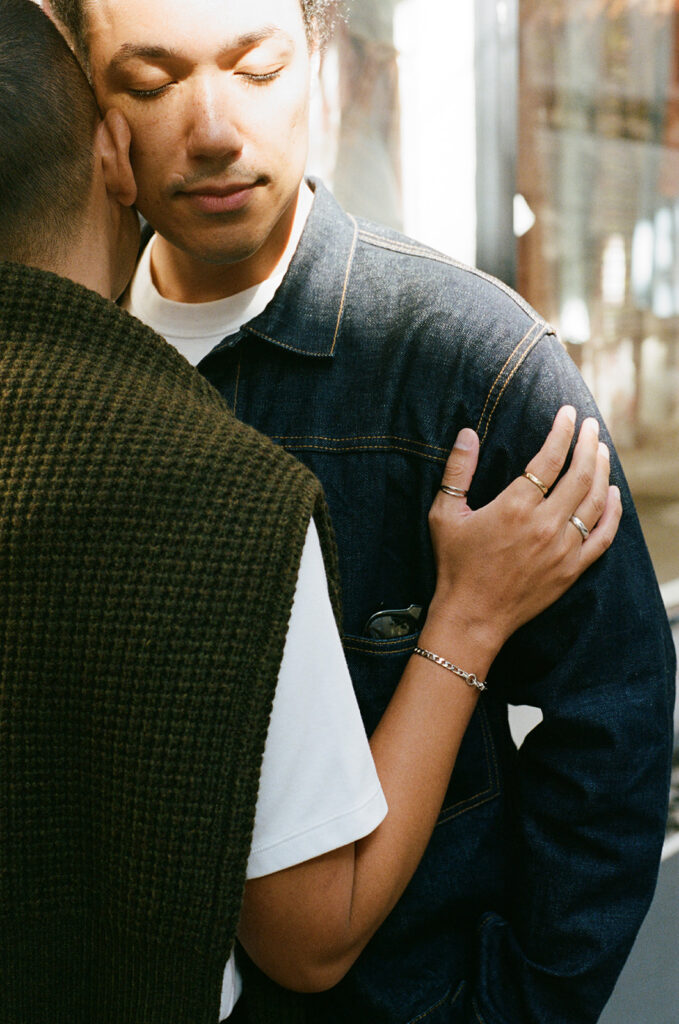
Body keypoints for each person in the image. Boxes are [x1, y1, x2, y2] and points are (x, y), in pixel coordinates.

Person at [45, 0, 675, 1022]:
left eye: (256, 68)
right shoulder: (59, 370)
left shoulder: (467, 359)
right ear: (87, 100)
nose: (214, 130)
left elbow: (614, 728)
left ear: (317, 60)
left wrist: (509, 1010)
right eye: (151, 84)